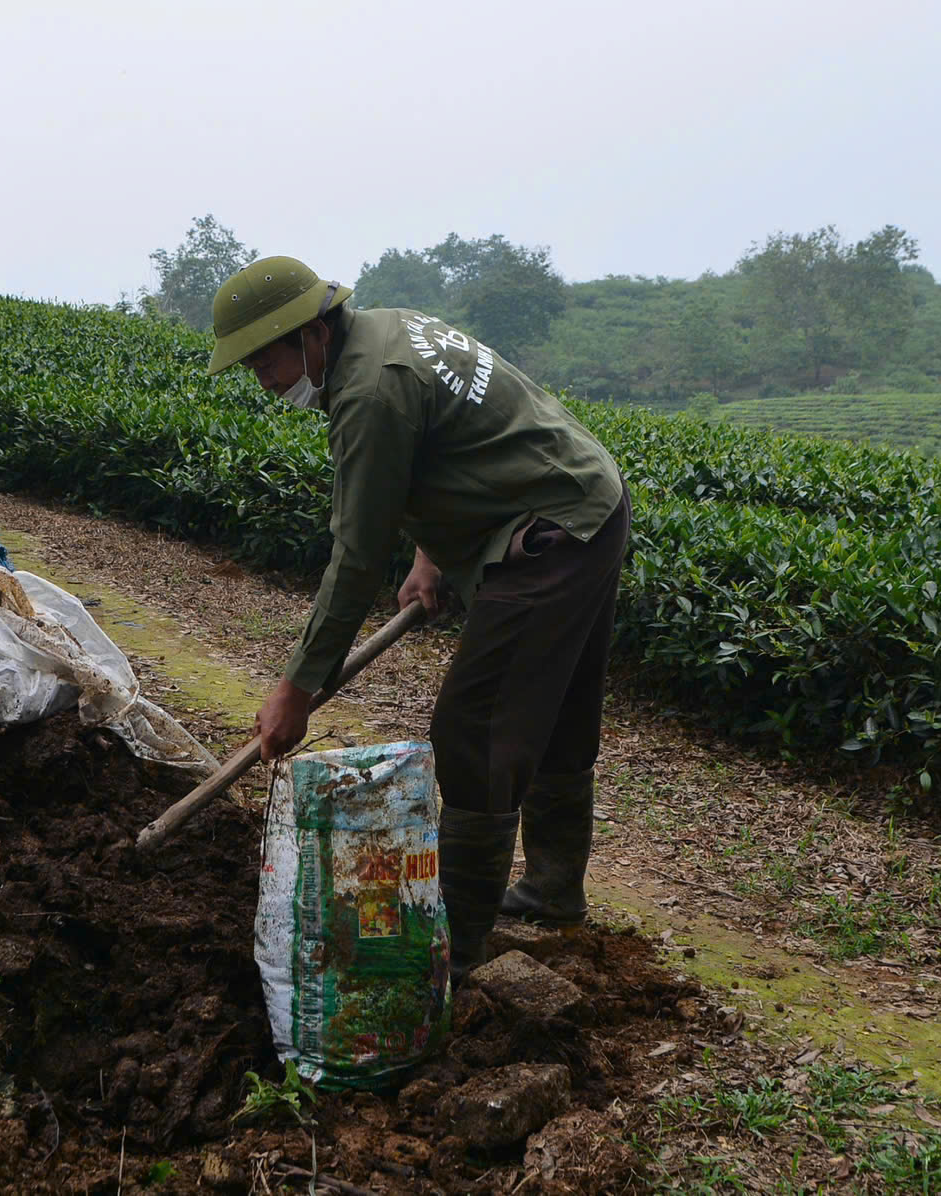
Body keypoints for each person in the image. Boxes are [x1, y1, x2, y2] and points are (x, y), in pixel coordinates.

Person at [206, 256, 630, 970]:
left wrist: (297, 688)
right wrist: (432, 553)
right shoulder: (383, 330)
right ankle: (555, 890)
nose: (265, 380)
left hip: (552, 533)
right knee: (554, 710)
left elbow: (356, 555)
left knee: (473, 728)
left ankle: (459, 946)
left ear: (312, 332)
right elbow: (452, 447)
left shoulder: (369, 389)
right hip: (586, 501)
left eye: (266, 360)